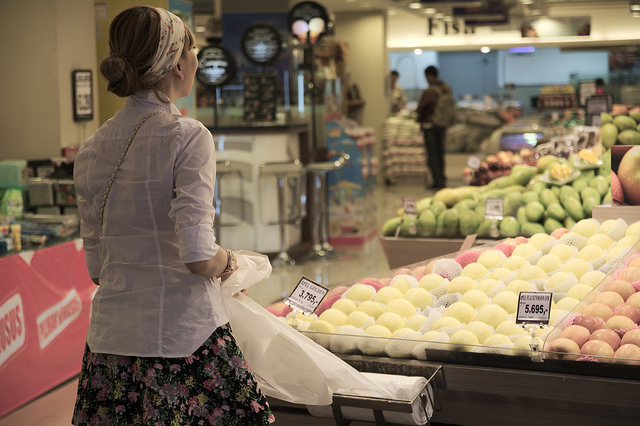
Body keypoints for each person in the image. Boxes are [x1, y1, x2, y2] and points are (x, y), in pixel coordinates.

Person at [72, 6, 274, 425]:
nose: (198, 58)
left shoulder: (91, 148)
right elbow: (199, 256)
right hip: (183, 341)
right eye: (194, 47)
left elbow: (97, 268)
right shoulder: (187, 136)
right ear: (178, 64)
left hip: (110, 349)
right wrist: (234, 264)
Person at [416, 65, 454, 189]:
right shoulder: (446, 88)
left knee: (432, 155)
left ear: (428, 76)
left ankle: (437, 181)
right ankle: (442, 178)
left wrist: (418, 119)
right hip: (442, 125)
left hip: (430, 126)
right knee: (440, 153)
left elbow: (420, 109)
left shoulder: (429, 91)